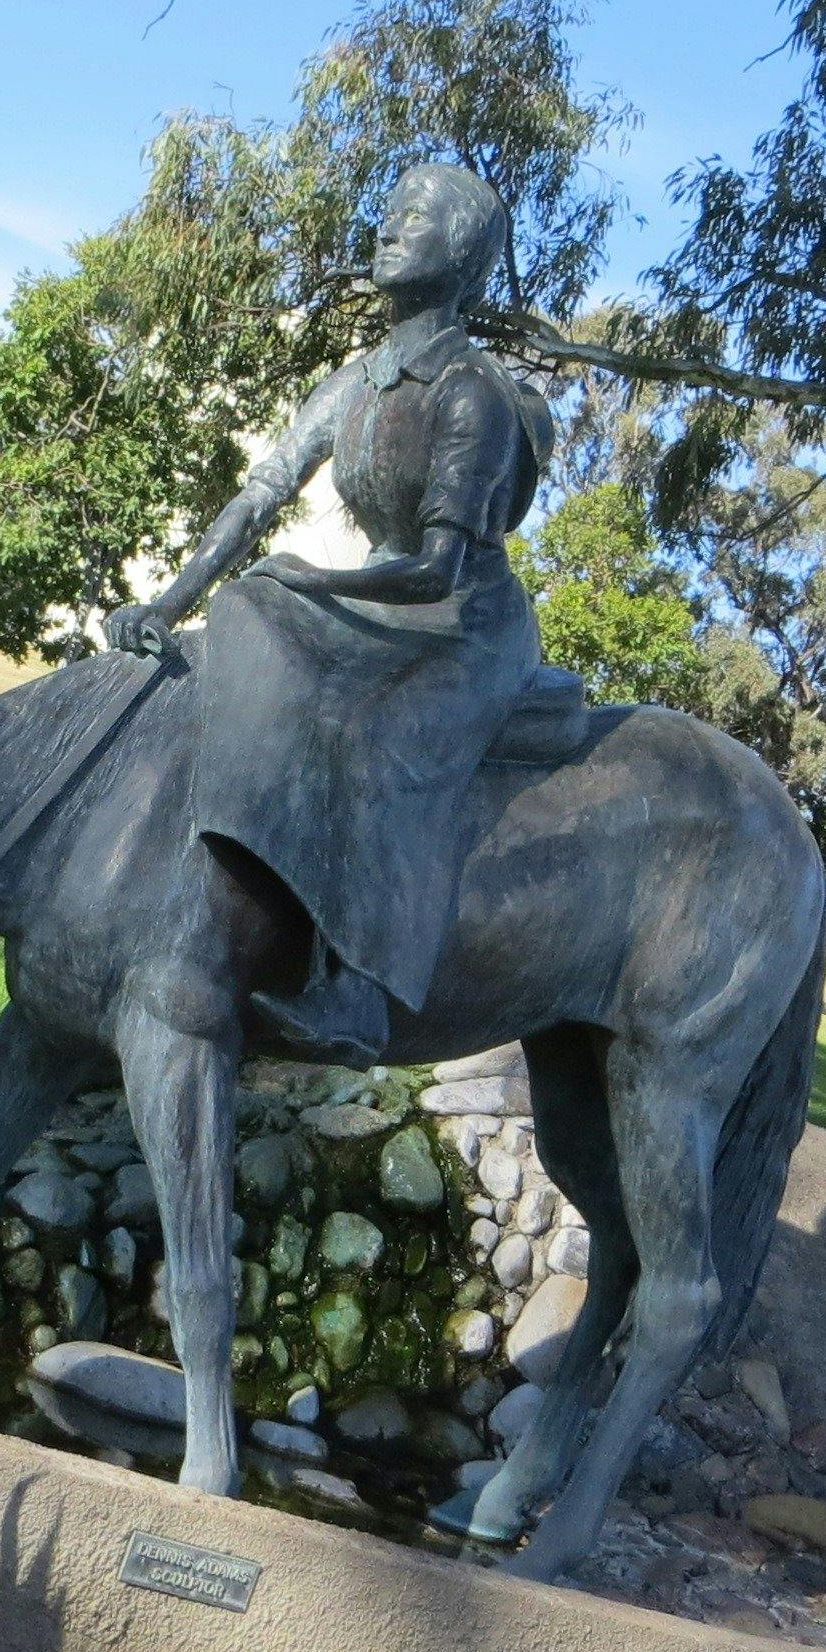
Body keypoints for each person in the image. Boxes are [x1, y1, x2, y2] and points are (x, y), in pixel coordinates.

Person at [102, 159, 567, 1062]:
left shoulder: (471, 392)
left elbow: (437, 570)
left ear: (464, 251)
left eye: (414, 217)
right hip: (387, 601)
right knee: (245, 639)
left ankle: (358, 988)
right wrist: (168, 599)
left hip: (462, 626)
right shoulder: (361, 379)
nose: (386, 228)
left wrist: (314, 584)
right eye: (388, 209)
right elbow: (262, 492)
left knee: (372, 732)